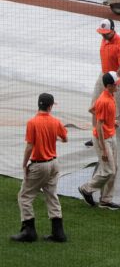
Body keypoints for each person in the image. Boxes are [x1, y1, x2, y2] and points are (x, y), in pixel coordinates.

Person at [11, 93, 68, 243]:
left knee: (25, 196)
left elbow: (30, 145)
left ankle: (29, 232)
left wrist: (24, 164)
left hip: (39, 165)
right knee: (52, 196)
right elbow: (65, 138)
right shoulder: (56, 122)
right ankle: (58, 233)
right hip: (54, 164)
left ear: (39, 105)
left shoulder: (32, 122)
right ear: (50, 106)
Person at [78, 71, 120, 210]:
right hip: (102, 139)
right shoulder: (104, 101)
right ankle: (86, 189)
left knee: (114, 169)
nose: (118, 86)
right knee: (109, 170)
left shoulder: (110, 95)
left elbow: (92, 109)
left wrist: (111, 122)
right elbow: (98, 126)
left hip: (111, 135)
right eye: (116, 84)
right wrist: (103, 149)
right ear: (109, 85)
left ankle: (105, 200)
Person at [93, 18, 120, 129]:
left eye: (106, 34)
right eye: (102, 33)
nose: (103, 36)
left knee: (119, 111)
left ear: (113, 30)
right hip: (105, 75)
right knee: (96, 104)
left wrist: (112, 81)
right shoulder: (105, 39)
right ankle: (96, 133)